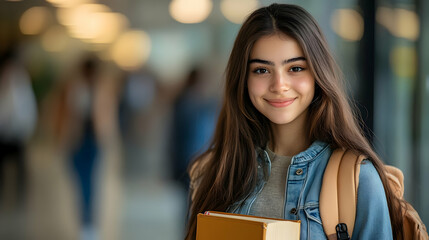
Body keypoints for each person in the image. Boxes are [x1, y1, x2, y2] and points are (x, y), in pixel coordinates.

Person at [185, 4, 404, 240]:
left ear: (318, 75)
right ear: (243, 79)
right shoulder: (213, 170)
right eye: (261, 70)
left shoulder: (358, 179)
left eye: (296, 68)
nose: (279, 85)